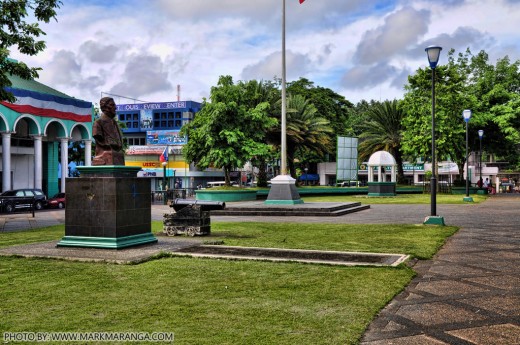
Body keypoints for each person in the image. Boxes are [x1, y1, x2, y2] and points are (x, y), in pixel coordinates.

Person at [92, 97, 125, 165]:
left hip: (117, 157)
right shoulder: (98, 123)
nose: (115, 108)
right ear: (105, 108)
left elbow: (119, 143)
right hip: (104, 158)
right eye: (112, 105)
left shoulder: (115, 123)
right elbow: (98, 137)